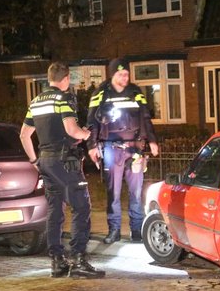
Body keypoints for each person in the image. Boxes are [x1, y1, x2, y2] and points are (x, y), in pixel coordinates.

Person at [20, 62, 105, 278]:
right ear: (65, 79)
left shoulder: (35, 102)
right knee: (81, 207)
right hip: (65, 160)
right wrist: (86, 134)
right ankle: (78, 260)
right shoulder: (64, 99)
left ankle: (57, 262)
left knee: (55, 211)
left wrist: (34, 161)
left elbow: (24, 135)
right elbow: (71, 129)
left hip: (46, 162)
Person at [86, 58, 159, 244]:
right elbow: (91, 122)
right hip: (112, 149)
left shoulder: (135, 92)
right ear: (112, 74)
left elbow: (145, 117)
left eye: (126, 74)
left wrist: (152, 141)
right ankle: (114, 230)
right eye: (120, 74)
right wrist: (92, 146)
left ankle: (136, 230)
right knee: (113, 193)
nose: (124, 77)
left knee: (136, 193)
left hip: (135, 149)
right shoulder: (100, 94)